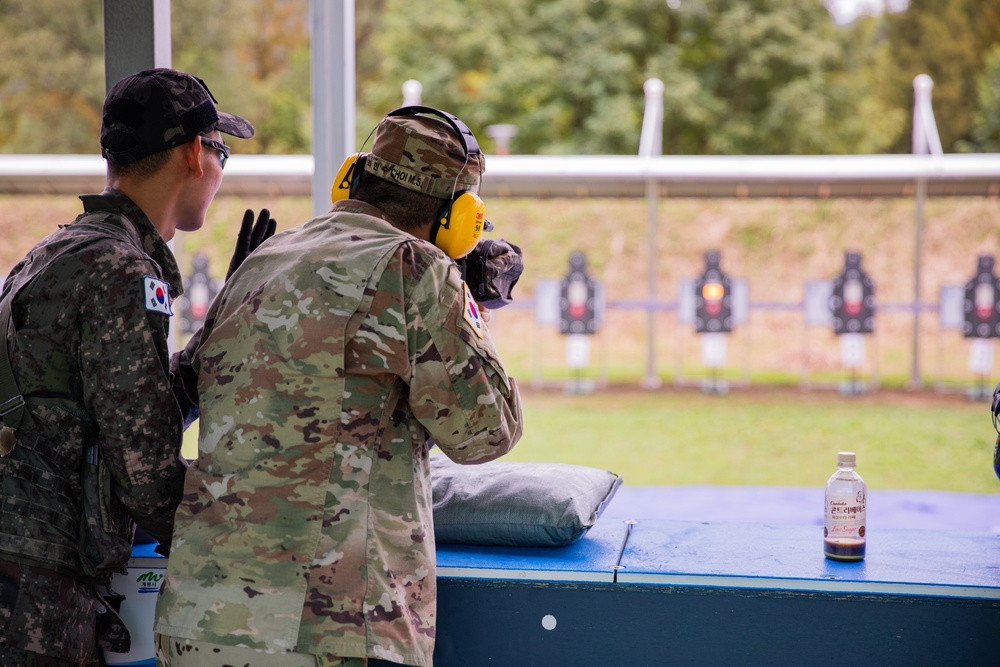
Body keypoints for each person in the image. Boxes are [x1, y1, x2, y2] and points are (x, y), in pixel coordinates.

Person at [153, 106, 524, 666]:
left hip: (199, 622)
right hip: (331, 629)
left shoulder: (262, 260)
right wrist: (462, 299)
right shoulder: (415, 267)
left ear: (351, 176)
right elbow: (487, 433)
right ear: (460, 217)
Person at [0, 68, 273, 666]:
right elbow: (144, 468)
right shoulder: (123, 273)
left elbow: (129, 407)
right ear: (196, 153)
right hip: (34, 588)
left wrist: (225, 316)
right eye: (222, 150)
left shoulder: (60, 253)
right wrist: (249, 553)